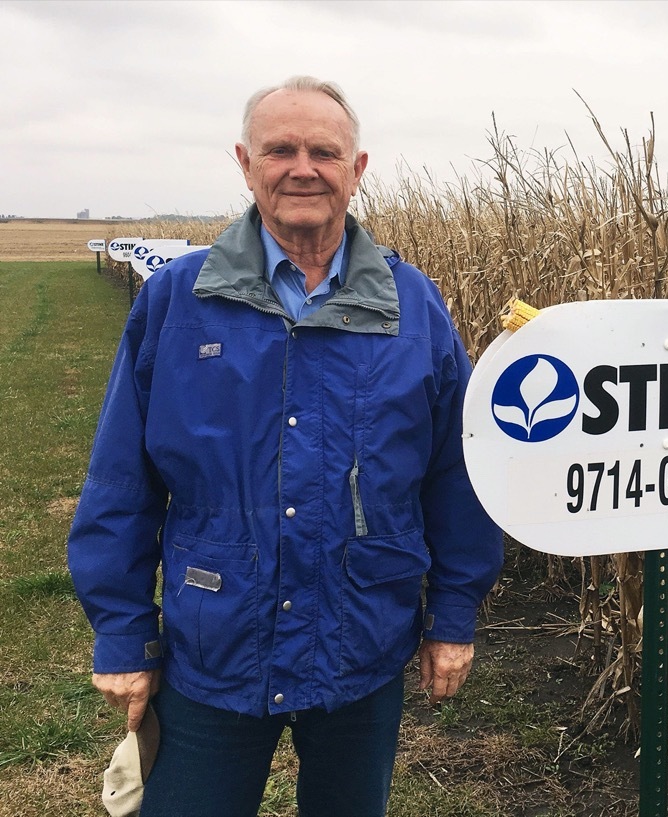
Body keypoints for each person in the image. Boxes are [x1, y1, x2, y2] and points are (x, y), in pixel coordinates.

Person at [67, 76, 504, 817]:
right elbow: (122, 479)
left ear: (356, 169)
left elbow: (455, 474)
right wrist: (123, 632)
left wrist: (453, 614)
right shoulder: (179, 300)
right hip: (216, 644)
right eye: (280, 149)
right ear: (246, 163)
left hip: (360, 641)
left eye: (324, 151)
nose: (303, 167)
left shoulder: (413, 307)